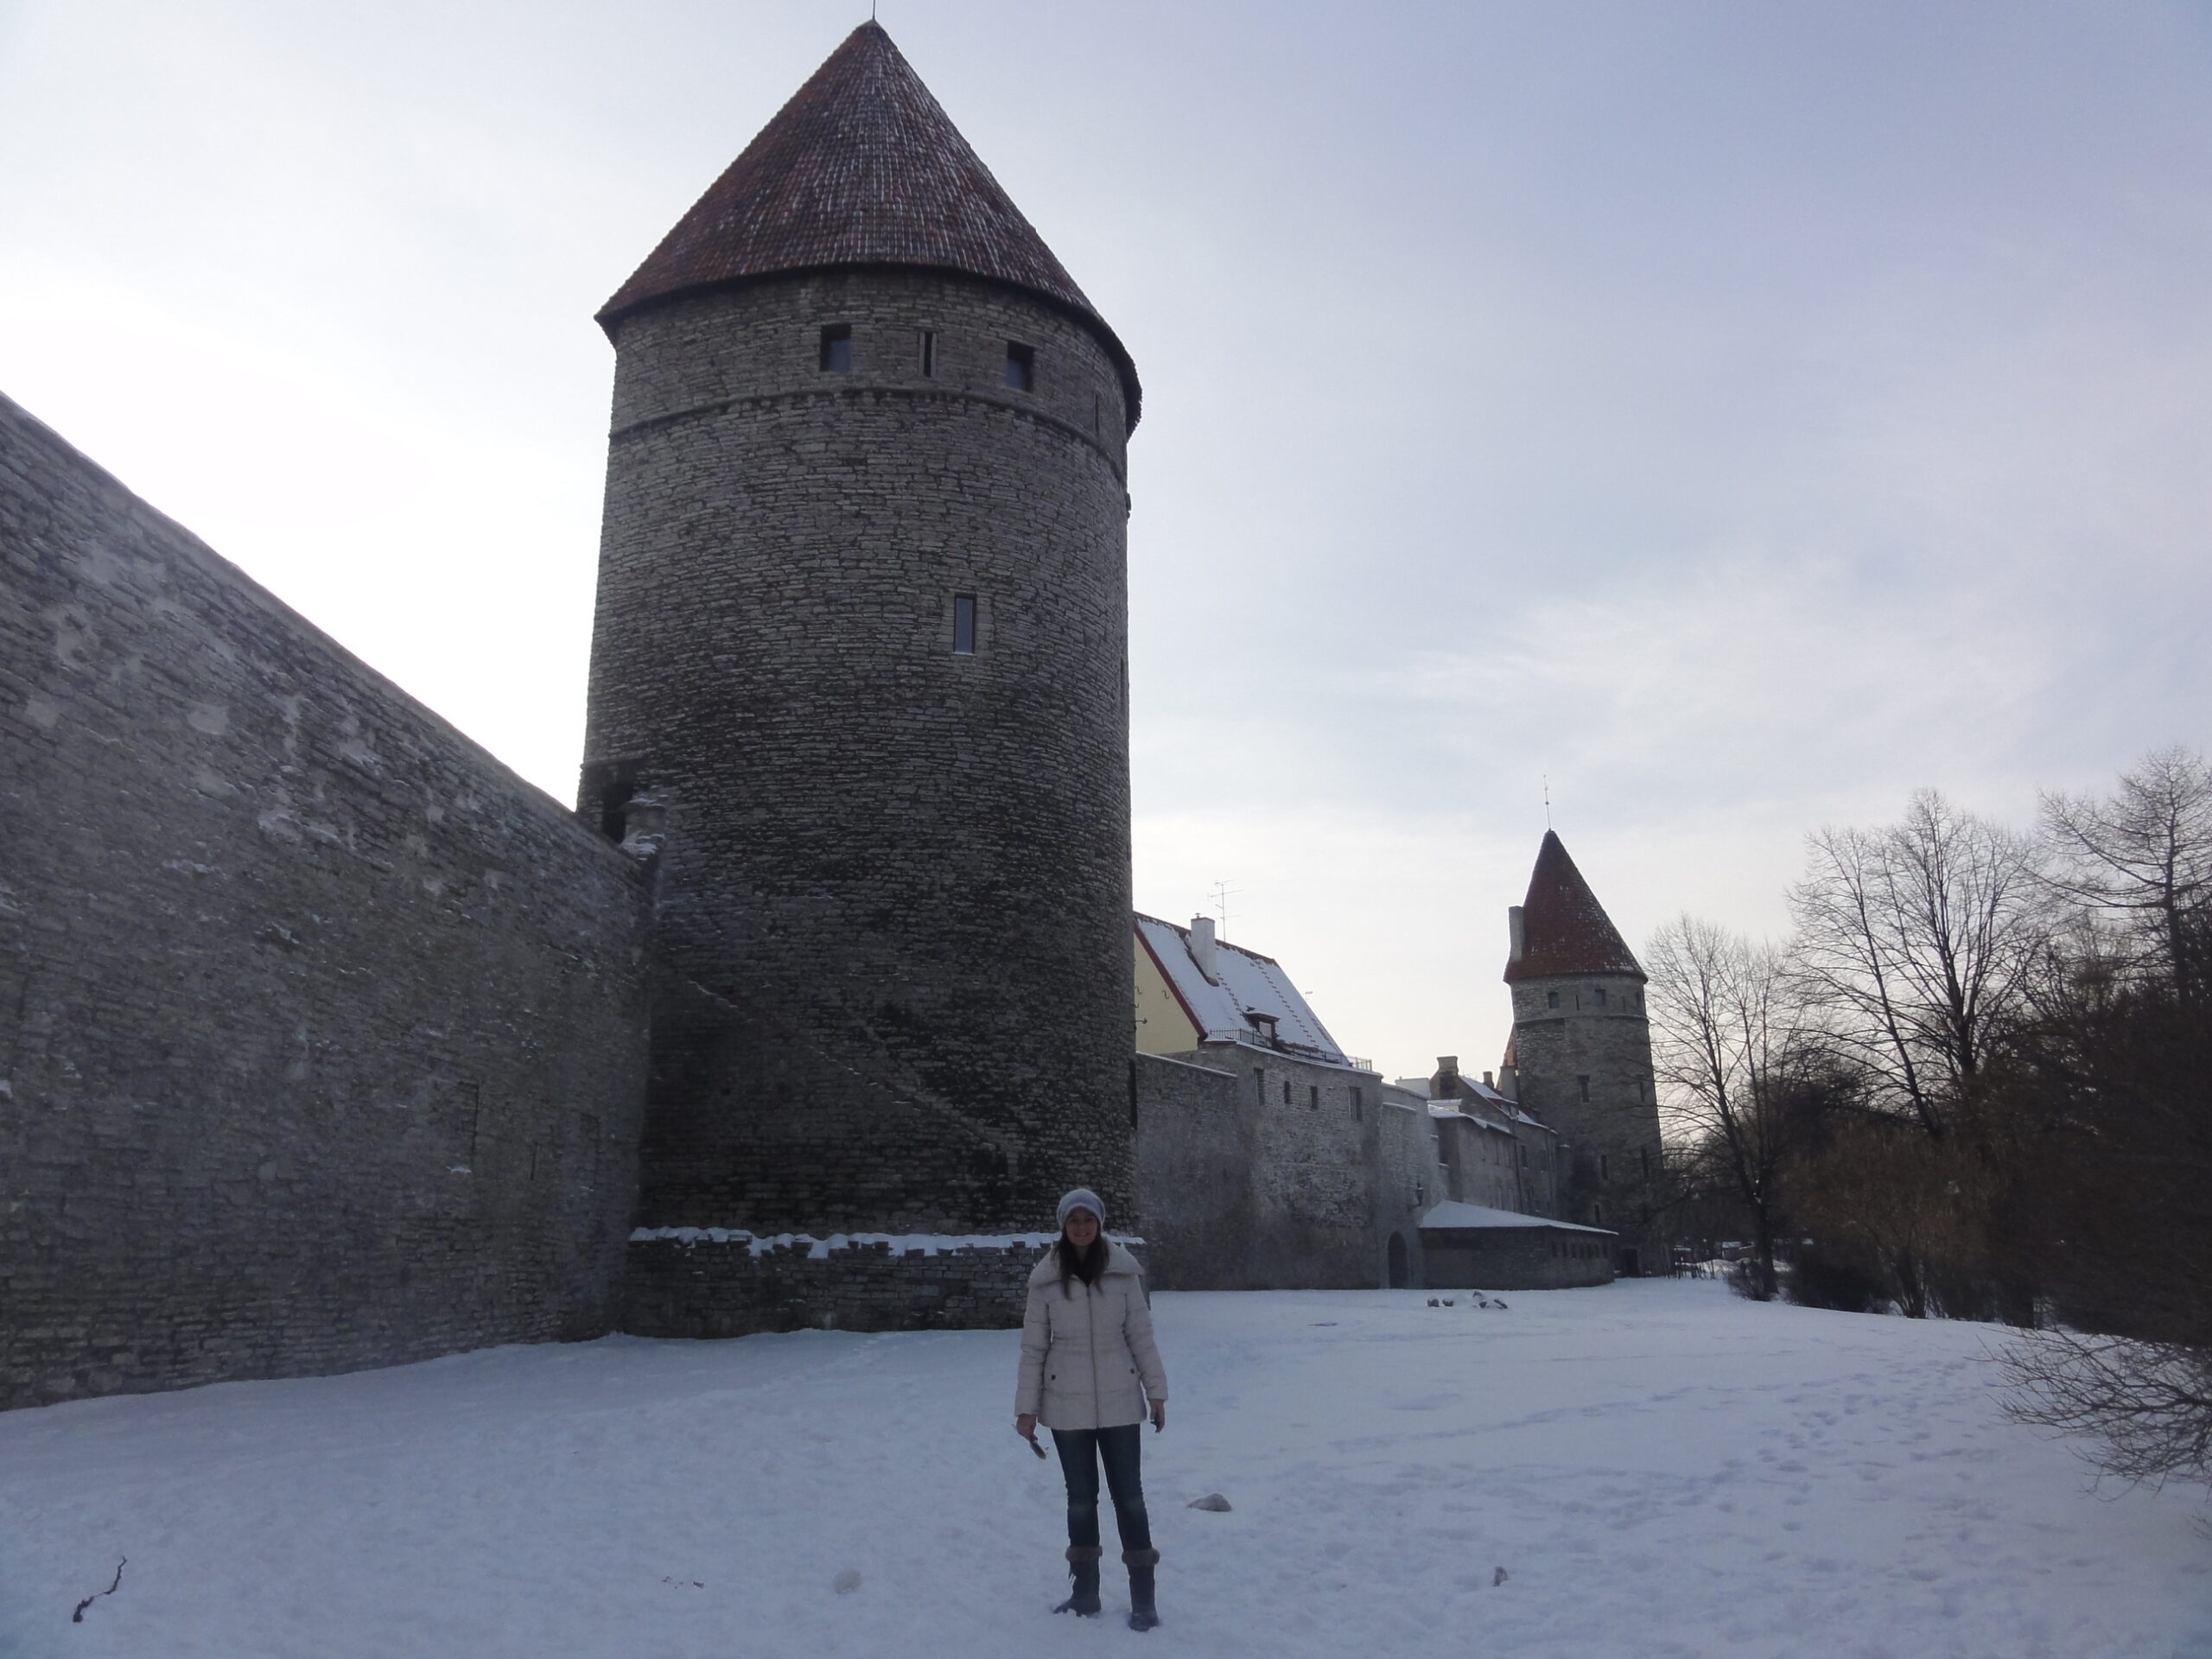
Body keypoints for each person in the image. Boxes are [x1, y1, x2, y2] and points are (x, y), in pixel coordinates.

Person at [1014, 1187, 1169, 1630]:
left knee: (1131, 1499)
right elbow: (1032, 1349)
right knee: (1081, 1501)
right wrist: (1026, 1408)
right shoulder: (1045, 1281)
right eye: (1073, 1220)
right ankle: (1085, 1593)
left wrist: (1156, 1391)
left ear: (1099, 1223)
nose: (1081, 1227)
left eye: (1088, 1219)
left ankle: (1144, 1600)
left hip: (1121, 1402)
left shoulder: (1123, 1275)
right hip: (1066, 1407)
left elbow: (1141, 1336)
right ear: (1064, 1226)